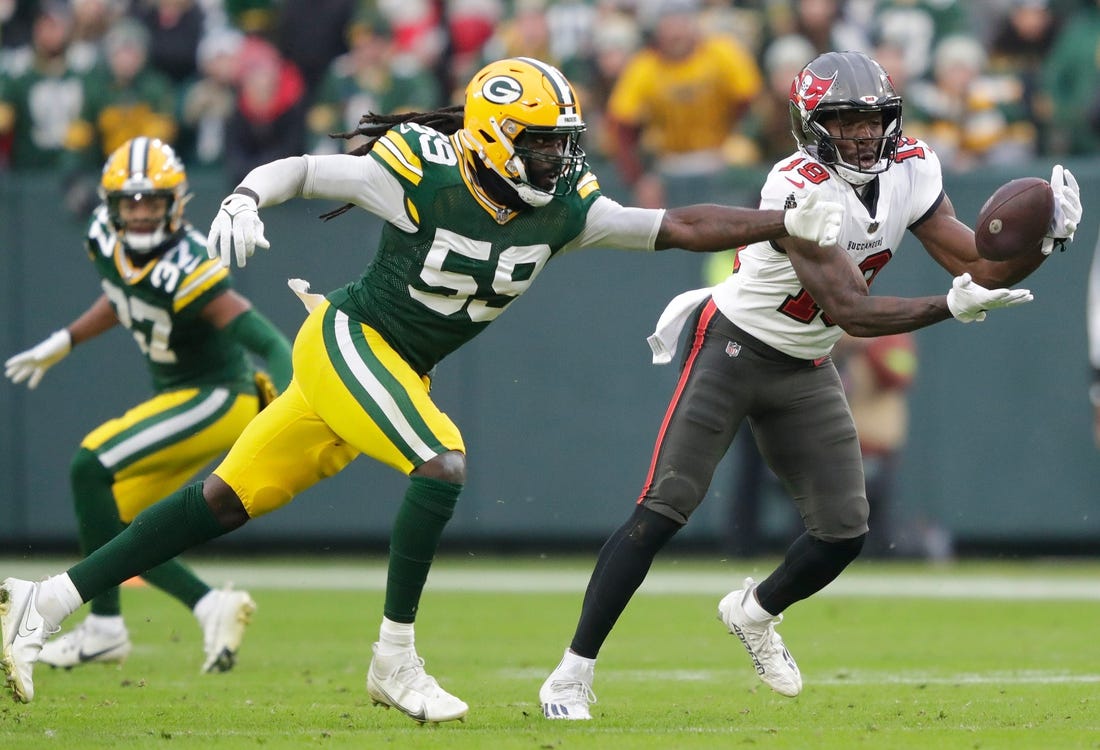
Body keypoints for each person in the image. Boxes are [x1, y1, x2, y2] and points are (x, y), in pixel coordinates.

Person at [0, 56, 845, 717]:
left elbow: (673, 225)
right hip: (348, 340)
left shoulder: (562, 207)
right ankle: (394, 660)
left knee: (221, 501)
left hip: (398, 367)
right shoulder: (421, 172)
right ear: (489, 138)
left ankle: (46, 601)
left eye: (563, 140)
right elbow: (302, 171)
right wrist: (246, 197)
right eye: (541, 141)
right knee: (440, 463)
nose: (558, 156)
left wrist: (781, 221)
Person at [538, 50, 1081, 720]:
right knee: (663, 508)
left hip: (806, 362)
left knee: (844, 531)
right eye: (844, 120)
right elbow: (852, 308)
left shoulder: (912, 165)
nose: (860, 134)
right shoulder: (795, 185)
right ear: (811, 125)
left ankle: (754, 612)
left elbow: (977, 262)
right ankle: (570, 674)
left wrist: (1044, 243)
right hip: (733, 348)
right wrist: (949, 306)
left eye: (872, 118)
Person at [3, 136, 292, 675]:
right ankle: (207, 605)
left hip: (219, 396)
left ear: (175, 203)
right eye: (130, 204)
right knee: (118, 521)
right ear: (111, 207)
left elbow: (271, 341)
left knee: (90, 463)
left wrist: (286, 402)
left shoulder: (189, 264)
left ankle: (105, 627)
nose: (139, 215)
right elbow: (124, 297)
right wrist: (66, 340)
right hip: (181, 395)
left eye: (152, 203)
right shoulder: (103, 241)